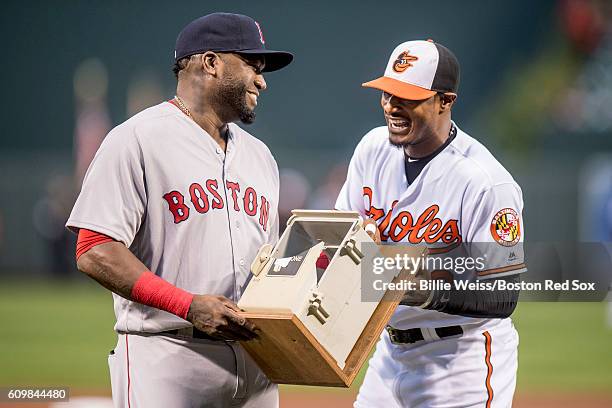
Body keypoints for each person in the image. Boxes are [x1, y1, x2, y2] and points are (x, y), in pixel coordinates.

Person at [66, 12, 292, 408]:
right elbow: (94, 248)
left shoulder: (261, 158)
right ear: (211, 63)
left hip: (257, 364)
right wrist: (186, 305)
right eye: (252, 66)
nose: (262, 79)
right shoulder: (136, 139)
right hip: (168, 353)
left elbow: (266, 266)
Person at [336, 40, 526, 407]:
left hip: (460, 358)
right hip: (389, 351)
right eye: (388, 93)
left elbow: (504, 296)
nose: (392, 106)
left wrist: (422, 290)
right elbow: (342, 238)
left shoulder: (485, 182)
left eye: (408, 97)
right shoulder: (372, 149)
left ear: (446, 101)